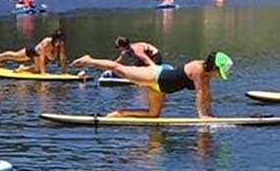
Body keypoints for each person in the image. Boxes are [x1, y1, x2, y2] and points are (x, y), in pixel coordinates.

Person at [72, 51, 233, 118]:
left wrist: (210, 114)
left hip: (161, 89)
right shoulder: (198, 70)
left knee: (153, 115)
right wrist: (202, 116)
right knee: (119, 68)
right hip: (155, 76)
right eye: (220, 71)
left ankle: (120, 113)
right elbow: (199, 94)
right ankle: (89, 60)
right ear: (214, 67)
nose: (219, 75)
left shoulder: (206, 75)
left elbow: (207, 94)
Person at [0, 30, 69, 75]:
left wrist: (63, 71)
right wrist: (43, 73)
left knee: (36, 70)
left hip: (38, 56)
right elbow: (42, 57)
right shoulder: (47, 42)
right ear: (54, 38)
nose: (60, 42)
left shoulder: (61, 45)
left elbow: (62, 58)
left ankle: (22, 69)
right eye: (58, 40)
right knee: (16, 56)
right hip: (32, 51)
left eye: (61, 40)